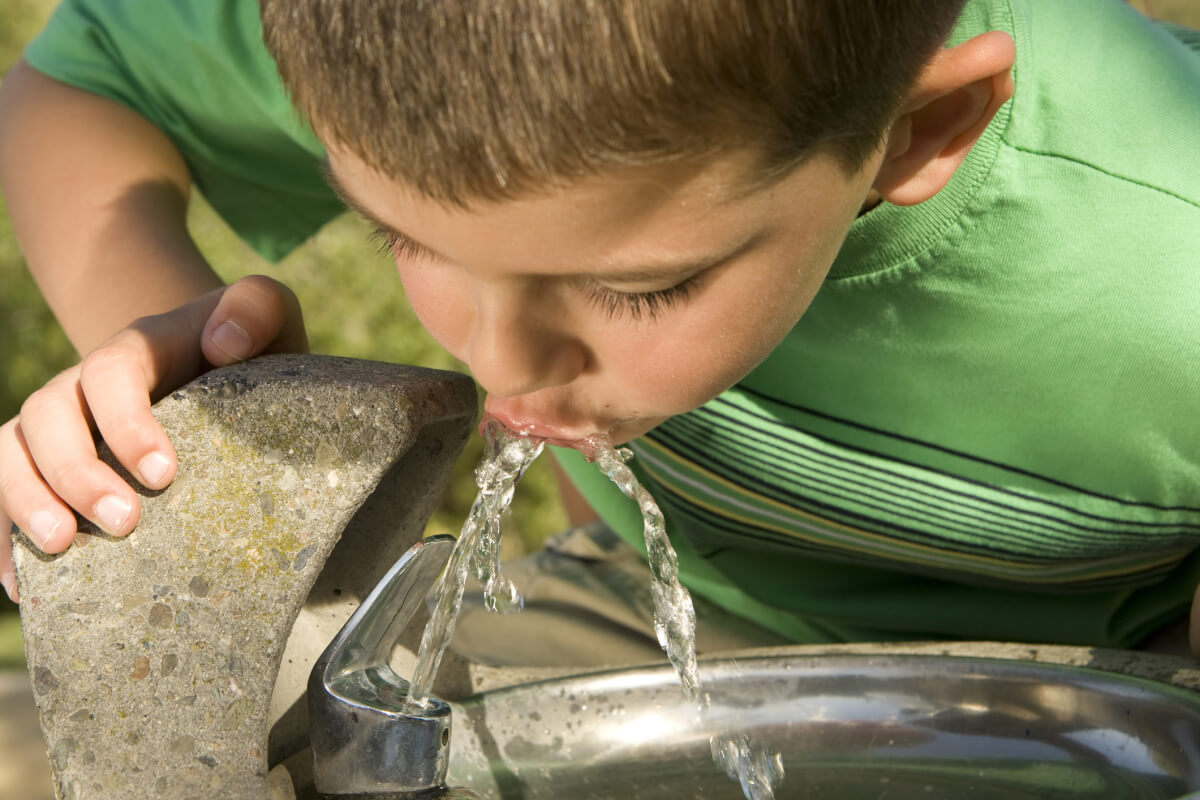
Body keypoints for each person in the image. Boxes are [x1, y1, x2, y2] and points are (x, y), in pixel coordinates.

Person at [1, 0, 1198, 663]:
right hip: (641, 604)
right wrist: (171, 343)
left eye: (639, 289)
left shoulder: (1163, 257)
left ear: (916, 134)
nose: (500, 366)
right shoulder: (444, 35)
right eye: (400, 237)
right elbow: (81, 76)